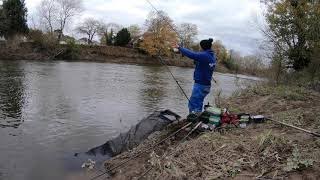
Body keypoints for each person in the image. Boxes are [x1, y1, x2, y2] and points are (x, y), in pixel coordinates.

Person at [173, 38, 216, 114]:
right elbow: (204, 63)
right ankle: (197, 118)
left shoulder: (204, 55)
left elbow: (192, 54)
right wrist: (197, 61)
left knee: (193, 105)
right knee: (198, 103)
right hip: (206, 85)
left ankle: (194, 121)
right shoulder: (212, 56)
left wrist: (179, 48)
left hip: (200, 85)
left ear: (202, 47)